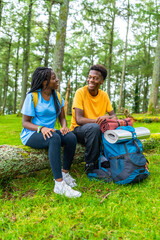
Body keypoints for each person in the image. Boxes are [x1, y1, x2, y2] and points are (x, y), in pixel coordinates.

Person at [20, 67, 81, 198]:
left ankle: (65, 173)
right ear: (44, 82)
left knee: (70, 137)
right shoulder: (32, 96)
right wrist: (41, 128)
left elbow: (62, 118)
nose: (57, 80)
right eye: (53, 78)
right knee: (54, 138)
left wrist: (64, 127)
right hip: (32, 134)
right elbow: (25, 122)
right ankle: (59, 184)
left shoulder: (57, 96)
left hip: (51, 132)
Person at [70, 64, 116, 180]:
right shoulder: (80, 92)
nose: (91, 80)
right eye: (90, 77)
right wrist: (98, 121)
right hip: (78, 130)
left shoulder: (104, 95)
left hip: (95, 130)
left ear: (102, 81)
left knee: (110, 128)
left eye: (95, 78)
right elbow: (79, 120)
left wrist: (106, 117)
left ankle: (112, 160)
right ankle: (90, 165)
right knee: (95, 128)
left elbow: (114, 117)